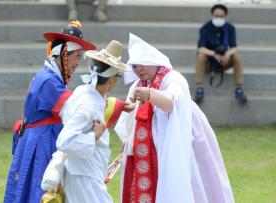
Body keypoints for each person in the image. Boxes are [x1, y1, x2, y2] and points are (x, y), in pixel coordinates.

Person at [115, 33, 235, 202]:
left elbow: (173, 103)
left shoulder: (172, 78)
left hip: (176, 143)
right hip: (146, 149)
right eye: (135, 66)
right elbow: (130, 118)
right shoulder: (137, 85)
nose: (139, 69)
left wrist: (150, 94)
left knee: (183, 184)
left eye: (143, 64)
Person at [4, 21, 96, 203]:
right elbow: (73, 108)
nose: (78, 63)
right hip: (41, 144)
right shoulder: (48, 81)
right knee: (40, 193)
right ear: (63, 55)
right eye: (76, 56)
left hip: (41, 139)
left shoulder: (49, 77)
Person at [54, 40, 131, 202]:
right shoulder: (88, 104)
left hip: (83, 174)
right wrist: (93, 136)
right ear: (111, 80)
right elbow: (64, 141)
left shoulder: (83, 92)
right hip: (84, 179)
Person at [195, 4, 247, 104]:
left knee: (236, 56)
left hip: (225, 62)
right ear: (212, 15)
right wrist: (214, 54)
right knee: (200, 56)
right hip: (209, 62)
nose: (218, 18)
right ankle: (199, 88)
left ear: (225, 16)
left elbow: (234, 48)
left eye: (221, 16)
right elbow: (201, 48)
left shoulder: (230, 28)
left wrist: (227, 54)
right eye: (216, 16)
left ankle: (239, 89)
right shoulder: (205, 28)